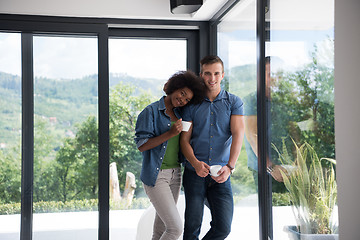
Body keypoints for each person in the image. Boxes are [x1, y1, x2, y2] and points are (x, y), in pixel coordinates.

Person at [134, 70, 205, 240]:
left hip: (175, 175)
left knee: (160, 230)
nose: (182, 100)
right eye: (182, 94)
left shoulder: (181, 114)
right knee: (175, 229)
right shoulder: (150, 111)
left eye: (187, 99)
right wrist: (170, 133)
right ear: (174, 87)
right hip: (156, 176)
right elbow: (142, 145)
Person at [180, 55, 245, 240]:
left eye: (216, 73)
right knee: (192, 227)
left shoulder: (234, 102)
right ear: (201, 75)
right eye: (208, 73)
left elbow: (238, 134)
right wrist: (195, 163)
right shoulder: (191, 105)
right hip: (194, 173)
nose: (212, 78)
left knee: (223, 227)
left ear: (223, 75)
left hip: (221, 173)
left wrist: (230, 167)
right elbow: (184, 140)